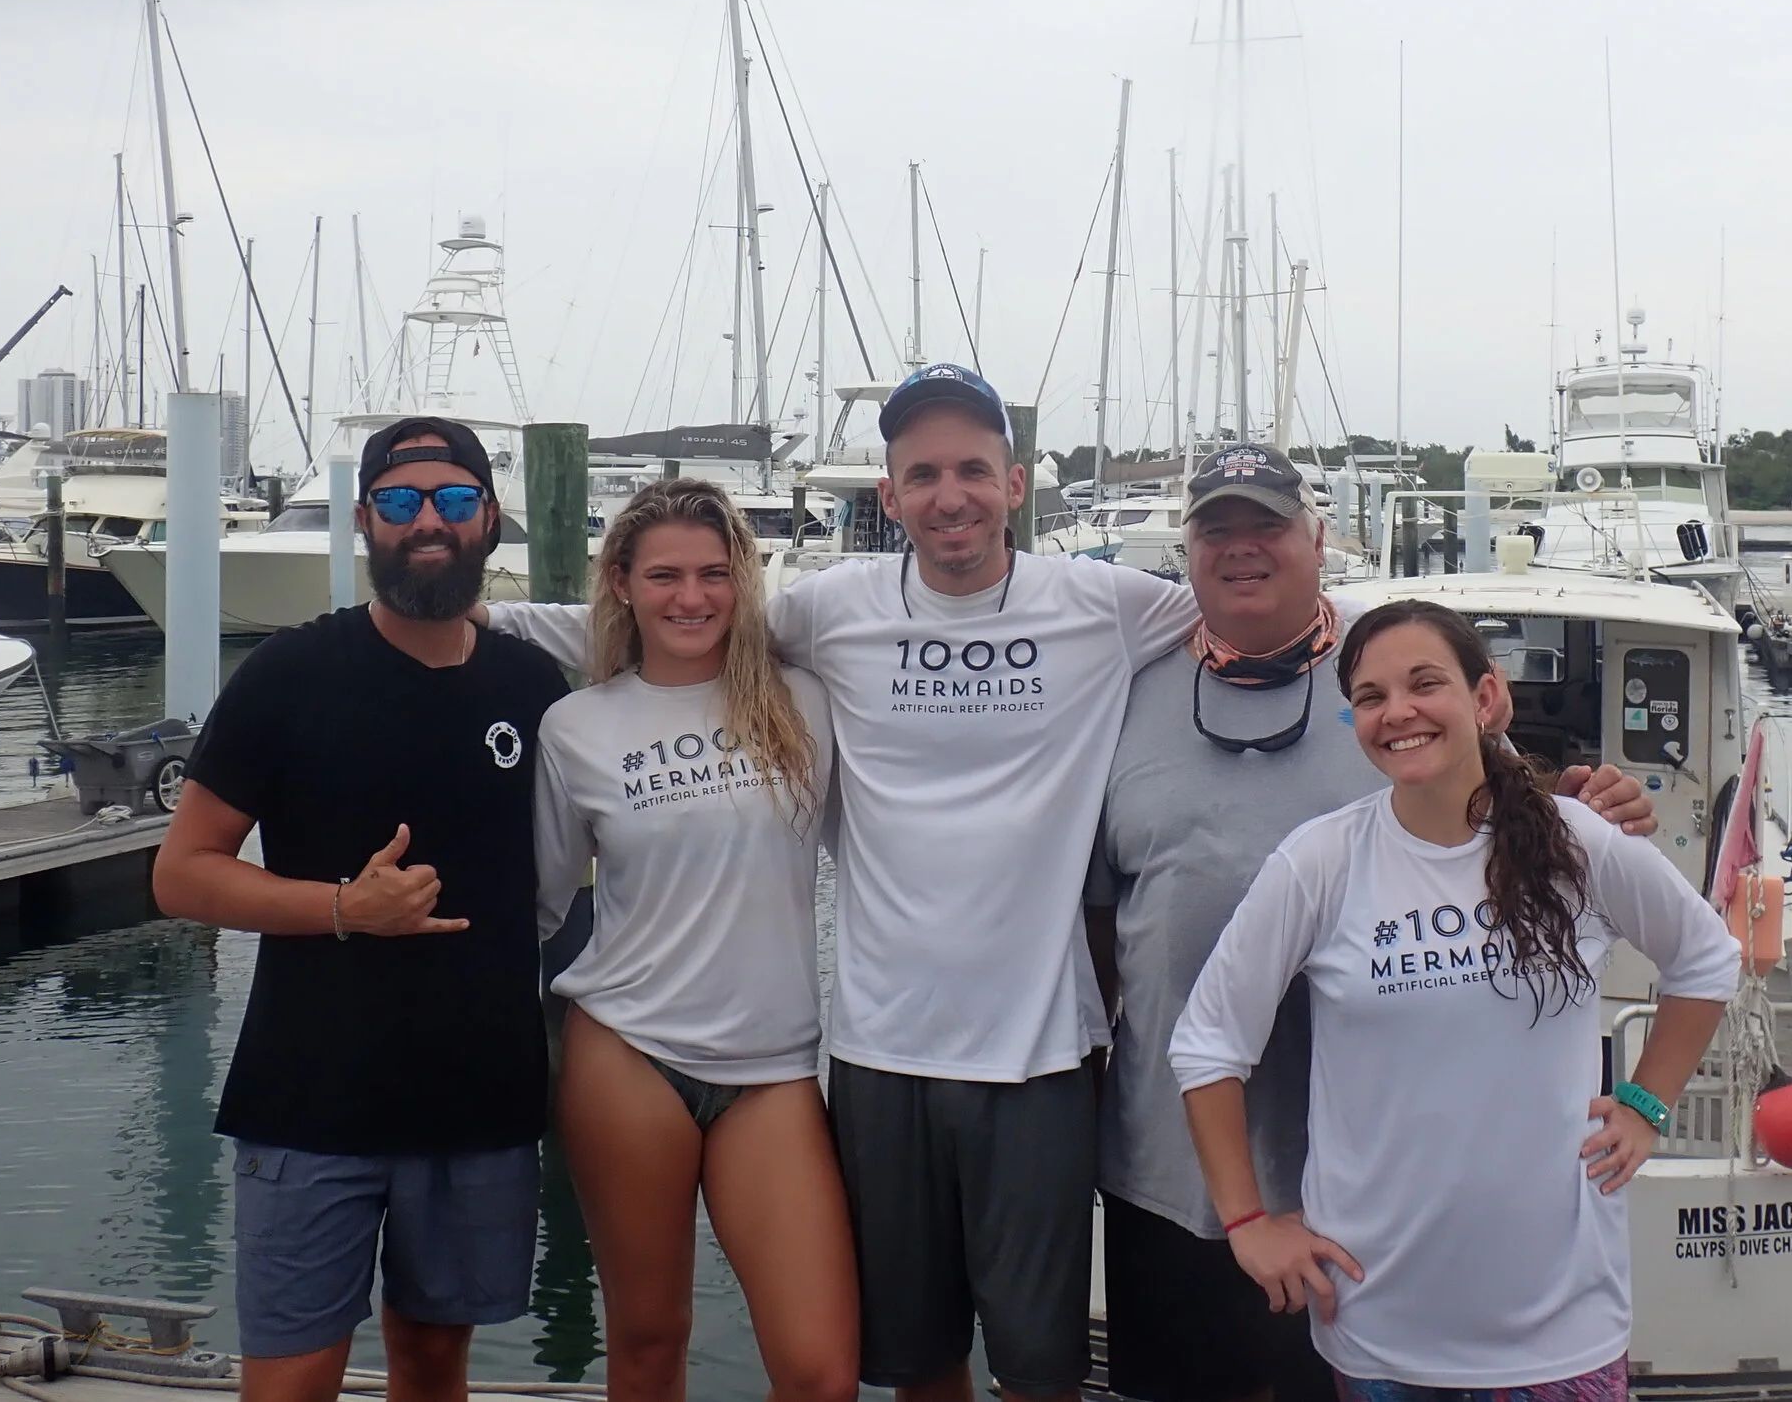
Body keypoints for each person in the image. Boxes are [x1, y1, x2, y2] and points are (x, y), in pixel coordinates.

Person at [487, 362, 1197, 1402]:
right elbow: (662, 640)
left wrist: (1445, 712)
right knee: (838, 1354)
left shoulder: (1101, 606)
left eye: (970, 469)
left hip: (961, 1052)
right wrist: (461, 627)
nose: (947, 494)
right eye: (921, 473)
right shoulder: (815, 623)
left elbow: (1257, 612)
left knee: (960, 1368)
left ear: (1015, 481)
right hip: (802, 1048)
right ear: (890, 494)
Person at [1087, 445, 1654, 1402]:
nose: (1242, 548)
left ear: (1317, 538)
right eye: (1216, 529)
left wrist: (1600, 804)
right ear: (1187, 553)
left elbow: (1514, 817)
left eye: (1266, 524)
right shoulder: (1122, 692)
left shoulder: (1389, 682)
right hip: (1171, 1173)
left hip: (1365, 1195)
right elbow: (1101, 919)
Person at [1171, 599, 1742, 1402]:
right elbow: (1207, 1044)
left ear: (1483, 698)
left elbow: (1706, 959)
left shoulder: (1576, 841)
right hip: (1379, 1326)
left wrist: (1646, 1102)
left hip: (1563, 1324)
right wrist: (1246, 1222)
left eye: (1423, 683)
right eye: (1370, 697)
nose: (1397, 711)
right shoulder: (1322, 861)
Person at [151, 417, 574, 1402]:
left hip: (479, 1099)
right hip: (312, 1102)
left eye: (455, 500)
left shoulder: (533, 685)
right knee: (293, 1381)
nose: (429, 521)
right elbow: (182, 875)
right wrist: (347, 907)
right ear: (366, 521)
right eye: (402, 502)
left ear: (490, 519)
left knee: (433, 1368)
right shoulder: (291, 677)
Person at [530, 479, 857, 1402]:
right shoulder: (578, 727)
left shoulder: (804, 701)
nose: (692, 596)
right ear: (622, 582)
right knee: (647, 1338)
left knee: (821, 1370)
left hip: (773, 1067)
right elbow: (541, 903)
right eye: (665, 574)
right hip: (626, 1050)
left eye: (715, 574)